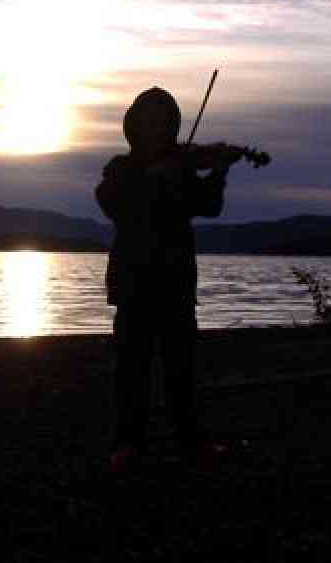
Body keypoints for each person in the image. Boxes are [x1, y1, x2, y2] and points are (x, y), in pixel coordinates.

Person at [95, 86, 233, 473]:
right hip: (133, 280)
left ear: (171, 124)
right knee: (131, 369)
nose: (154, 125)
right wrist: (153, 176)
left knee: (181, 367)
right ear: (134, 124)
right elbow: (110, 202)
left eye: (161, 118)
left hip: (175, 279)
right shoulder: (120, 169)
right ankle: (127, 444)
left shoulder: (182, 168)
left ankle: (191, 441)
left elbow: (208, 206)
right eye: (147, 117)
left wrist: (218, 171)